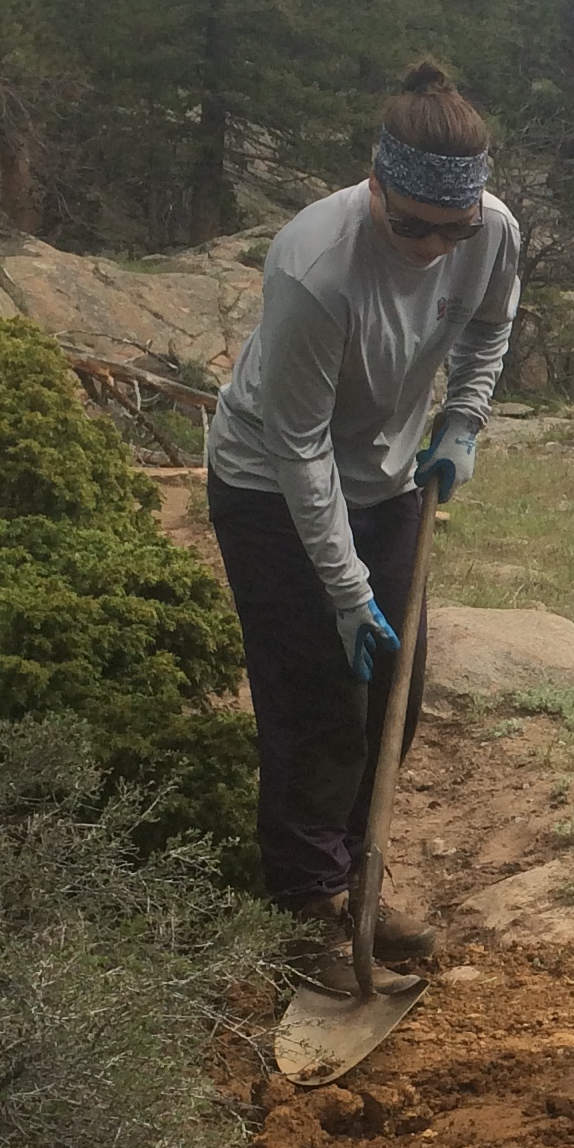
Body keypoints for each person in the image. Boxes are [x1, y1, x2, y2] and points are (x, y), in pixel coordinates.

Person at [206, 60, 520, 983]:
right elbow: (298, 448)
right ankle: (308, 906)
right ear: (375, 184)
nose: (430, 246)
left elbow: (489, 328)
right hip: (271, 485)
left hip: (386, 482)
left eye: (448, 229)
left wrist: (462, 422)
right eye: (411, 225)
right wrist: (343, 590)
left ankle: (357, 884)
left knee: (394, 693)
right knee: (314, 699)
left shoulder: (489, 230)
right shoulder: (316, 266)